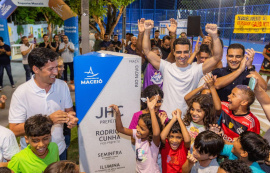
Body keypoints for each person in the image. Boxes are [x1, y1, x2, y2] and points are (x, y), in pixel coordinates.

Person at [142, 19, 223, 118]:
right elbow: (147, 51)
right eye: (179, 52)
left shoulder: (196, 69)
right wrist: (147, 31)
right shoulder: (166, 67)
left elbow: (217, 57)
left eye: (185, 52)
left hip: (186, 118)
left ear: (190, 52)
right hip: (166, 116)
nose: (182, 55)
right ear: (174, 52)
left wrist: (214, 36)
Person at [9, 47, 78, 161]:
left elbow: (69, 110)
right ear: (36, 69)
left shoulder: (62, 86)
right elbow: (14, 130)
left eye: (56, 67)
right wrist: (48, 120)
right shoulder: (21, 93)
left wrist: (71, 117)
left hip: (59, 151)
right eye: (51, 69)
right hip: (33, 155)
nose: (56, 72)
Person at [111, 96, 161, 173]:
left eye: (142, 128)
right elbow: (120, 129)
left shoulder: (153, 143)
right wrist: (118, 114)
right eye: (138, 125)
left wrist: (151, 110)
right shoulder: (137, 135)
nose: (137, 129)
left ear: (150, 132)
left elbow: (156, 133)